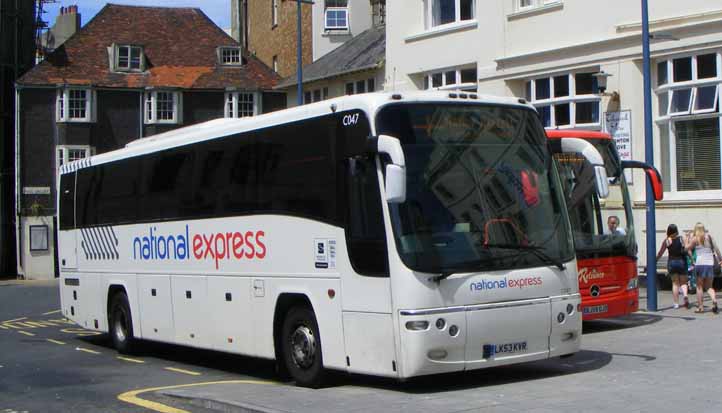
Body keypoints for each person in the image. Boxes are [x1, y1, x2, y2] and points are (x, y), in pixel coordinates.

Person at [686, 223, 721, 314]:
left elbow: (687, 249)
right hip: (710, 264)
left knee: (699, 287)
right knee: (709, 286)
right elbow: (717, 249)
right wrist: (720, 260)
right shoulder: (709, 237)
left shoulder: (695, 239)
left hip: (700, 264)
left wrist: (686, 240)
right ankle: (714, 300)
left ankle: (700, 307)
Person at [656, 224, 689, 309]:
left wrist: (655, 260)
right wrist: (692, 260)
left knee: (675, 284)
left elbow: (661, 252)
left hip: (672, 263)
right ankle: (685, 295)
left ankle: (676, 303)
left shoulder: (667, 241)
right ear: (676, 231)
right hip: (682, 262)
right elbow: (687, 250)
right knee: (683, 283)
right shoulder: (681, 239)